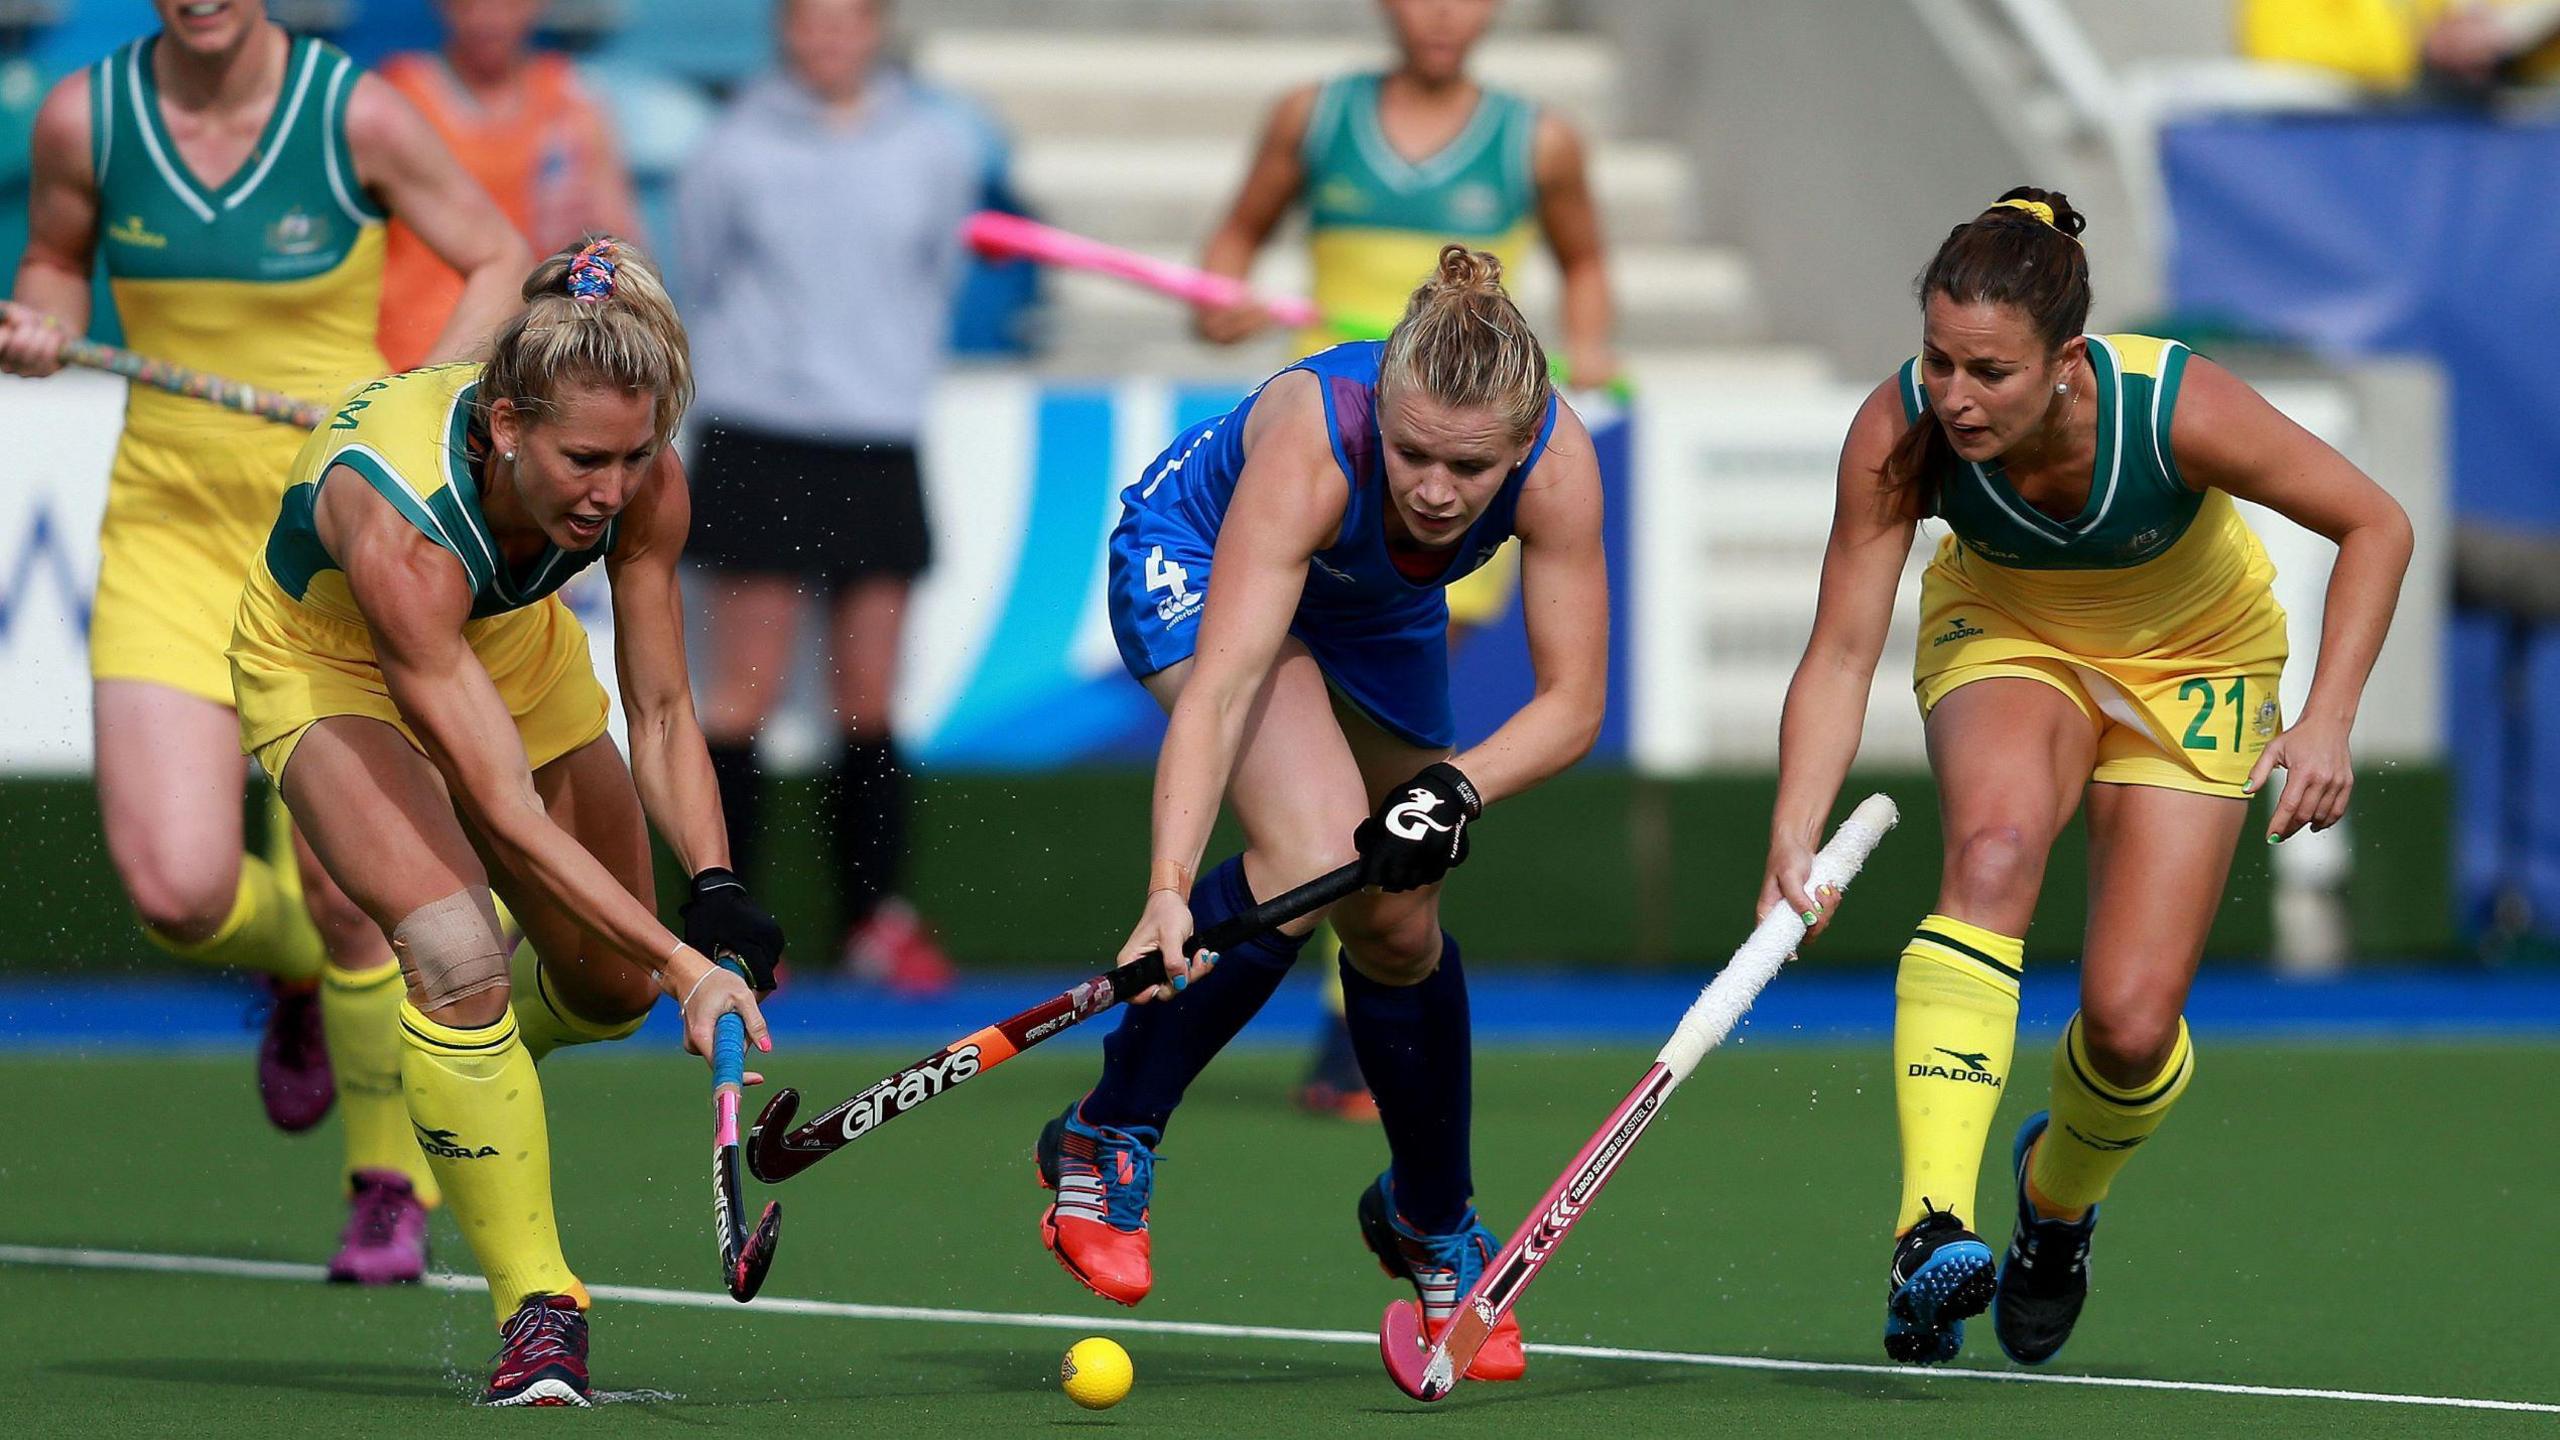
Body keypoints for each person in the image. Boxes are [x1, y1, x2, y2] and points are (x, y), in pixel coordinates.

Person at [1759, 189, 2412, 1368]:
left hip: (2199, 656)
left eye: (1989, 373)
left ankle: (2053, 1210)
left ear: (2065, 362)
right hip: (2010, 630)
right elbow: (1843, 649)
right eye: (1937, 360)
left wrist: (2325, 719)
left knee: (2125, 1024)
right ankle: (1929, 1232)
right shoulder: (1899, 433)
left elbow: (2376, 524)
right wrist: (1791, 839)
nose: (1954, 396)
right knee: (1994, 854)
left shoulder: (2177, 408)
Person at [0, 0, 530, 1282]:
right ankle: (301, 979)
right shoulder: (88, 113)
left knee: (357, 890)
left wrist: (417, 401)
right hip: (166, 528)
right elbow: (60, 258)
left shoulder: (354, 110)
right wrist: (39, 311)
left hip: (320, 537)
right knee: (179, 891)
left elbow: (500, 259)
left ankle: (383, 1188)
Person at [1034, 246, 1609, 1385]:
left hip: (1378, 604)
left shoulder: (1557, 464)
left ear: (1519, 441)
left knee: (1396, 921)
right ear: (1382, 414)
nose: (1438, 490)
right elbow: (1229, 685)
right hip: (1202, 559)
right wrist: (1165, 888)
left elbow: (1571, 705)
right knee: (1308, 842)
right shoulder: (1315, 438)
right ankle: (1107, 1131)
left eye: (1468, 466)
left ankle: (1428, 1218)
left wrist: (1454, 790)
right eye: (1413, 455)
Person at [228, 238, 783, 1407]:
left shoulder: (639, 482)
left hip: (509, 651)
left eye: (635, 457)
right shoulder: (404, 532)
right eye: (585, 460)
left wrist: (716, 890)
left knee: (605, 988)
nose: (612, 491)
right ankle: (541, 1310)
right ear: (505, 425)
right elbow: (499, 808)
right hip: (332, 667)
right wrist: (691, 967)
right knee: (458, 951)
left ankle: (452, 1068)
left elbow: (667, 708)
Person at [1191, 0, 1617, 1115]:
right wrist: (1223, 294)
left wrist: (1599, 346)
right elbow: (1233, 240)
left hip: (1456, 477)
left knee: (1374, 777)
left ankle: (1345, 1022)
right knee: (1309, 766)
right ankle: (1320, 991)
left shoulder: (1538, 141)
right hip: (1332, 463)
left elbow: (1585, 265)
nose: (1442, 14)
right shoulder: (1313, 117)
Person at [673, 0, 982, 993]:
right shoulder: (730, 147)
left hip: (877, 441)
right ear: (783, 31)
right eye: (809, 21)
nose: (828, 40)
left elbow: (935, 274)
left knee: (870, 697)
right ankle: (732, 924)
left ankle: (873, 920)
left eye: (847, 20)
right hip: (759, 434)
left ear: (879, 28)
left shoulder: (935, 147)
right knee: (741, 697)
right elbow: (704, 278)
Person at [375, 0, 646, 372]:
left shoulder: (571, 101)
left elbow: (620, 237)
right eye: (468, 5)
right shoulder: (397, 96)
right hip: (411, 354)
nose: (487, 18)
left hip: (524, 360)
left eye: (507, 4)